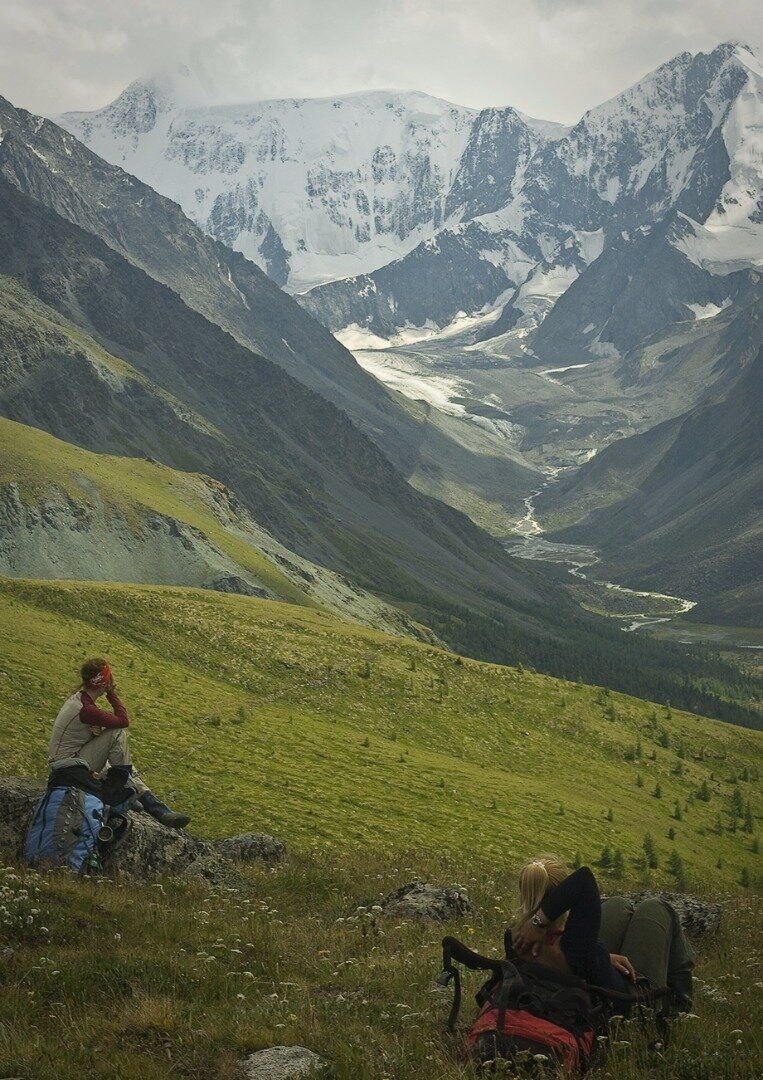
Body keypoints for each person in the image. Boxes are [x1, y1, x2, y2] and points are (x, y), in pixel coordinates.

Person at [511, 854, 694, 1011]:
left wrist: (603, 957)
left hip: (590, 976)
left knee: (618, 904)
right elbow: (584, 879)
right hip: (631, 999)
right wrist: (538, 923)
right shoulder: (575, 943)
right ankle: (680, 1004)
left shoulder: (514, 939)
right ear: (563, 898)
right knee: (656, 907)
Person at [48, 657, 191, 829]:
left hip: (69, 761)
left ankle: (153, 806)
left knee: (115, 754)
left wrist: (95, 733)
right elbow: (122, 721)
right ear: (103, 682)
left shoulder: (81, 700)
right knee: (116, 734)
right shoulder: (87, 710)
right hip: (68, 768)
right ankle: (128, 794)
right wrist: (111, 693)